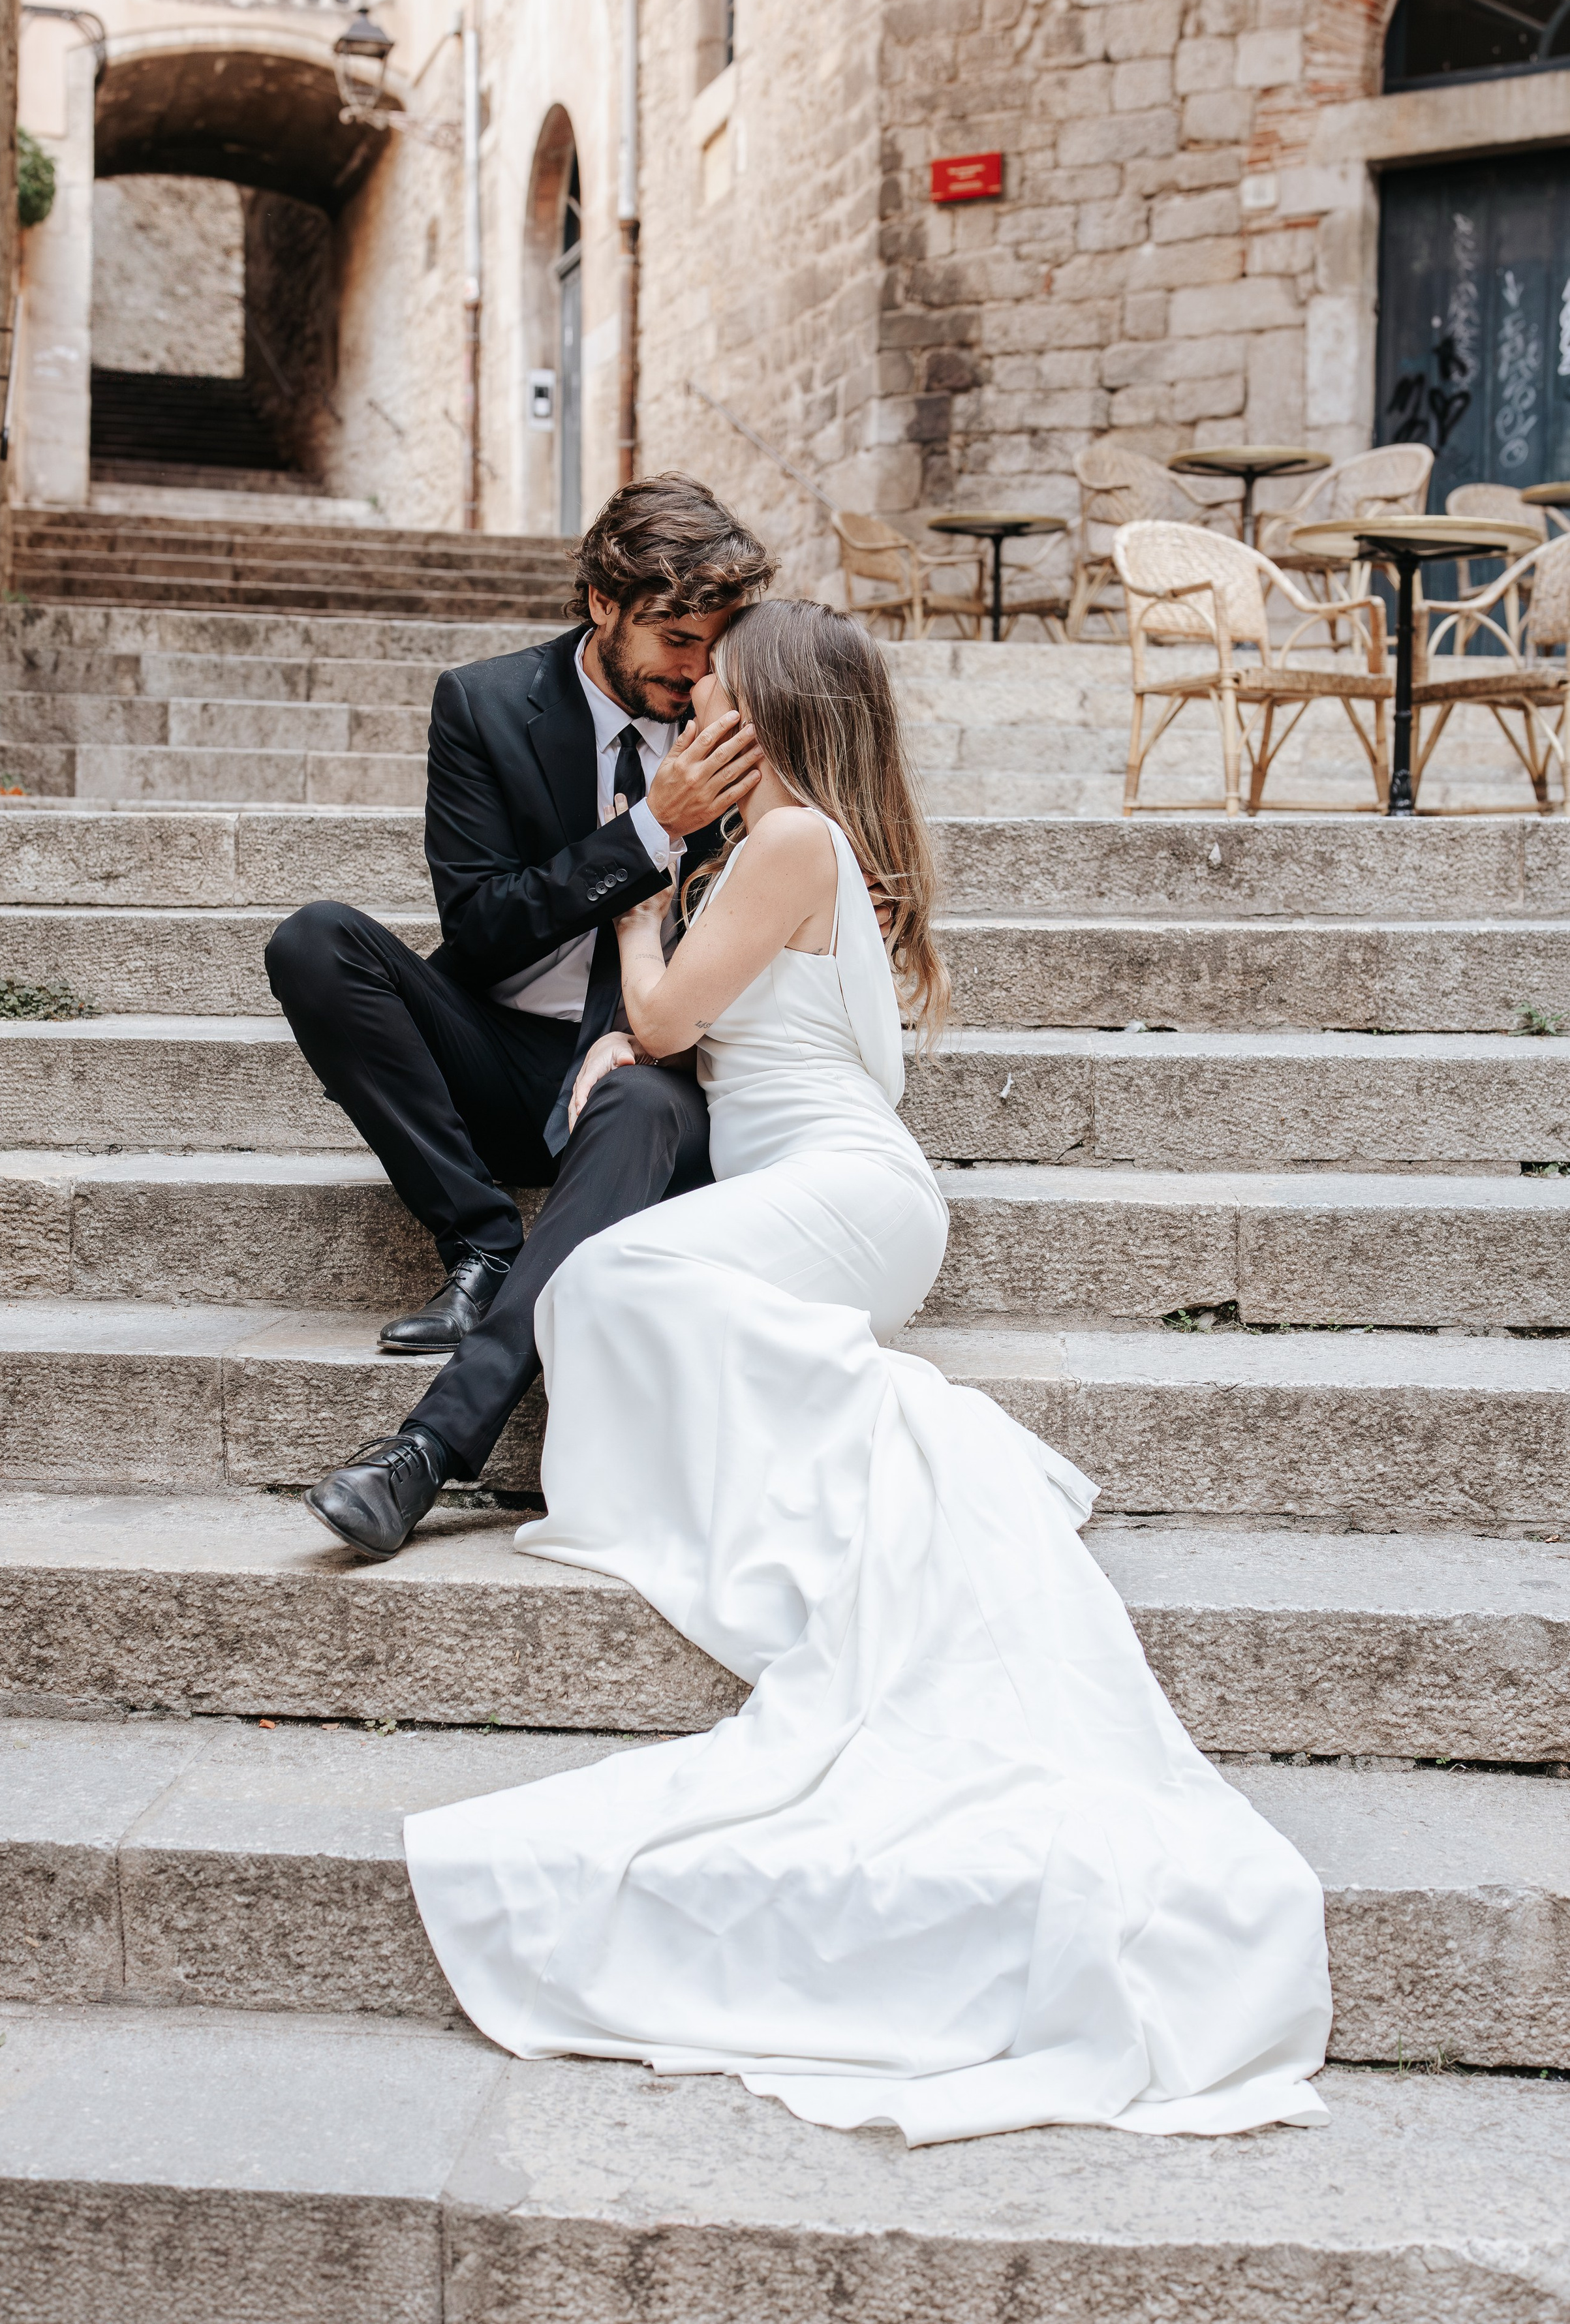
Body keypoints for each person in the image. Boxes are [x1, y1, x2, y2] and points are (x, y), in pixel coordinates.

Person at [401, 600, 1333, 2147]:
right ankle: (833, 1445)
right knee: (624, 1288)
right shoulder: (807, 848)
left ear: (771, 713)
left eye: (725, 685)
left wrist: (635, 911)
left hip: (845, 1193)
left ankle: (898, 1435)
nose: (698, 695)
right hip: (844, 1195)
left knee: (616, 1279)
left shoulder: (783, 847)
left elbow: (660, 1014)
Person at [265, 473, 775, 1554]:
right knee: (315, 940)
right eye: (674, 638)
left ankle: (423, 1453)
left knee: (639, 1099)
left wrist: (648, 1027)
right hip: (499, 1051)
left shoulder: (740, 721)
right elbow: (485, 925)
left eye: (714, 642)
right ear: (601, 602)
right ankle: (483, 1241)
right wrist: (651, 831)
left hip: (651, 1067)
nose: (693, 670)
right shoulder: (487, 704)